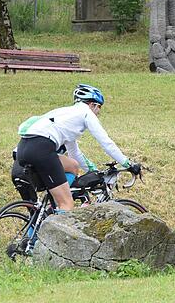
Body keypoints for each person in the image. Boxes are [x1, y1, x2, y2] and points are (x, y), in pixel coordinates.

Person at [13, 84, 139, 213]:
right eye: (99, 107)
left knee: (72, 165)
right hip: (42, 148)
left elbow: (74, 153)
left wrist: (93, 170)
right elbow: (106, 143)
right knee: (67, 204)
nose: (99, 112)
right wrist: (128, 163)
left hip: (23, 148)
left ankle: (36, 226)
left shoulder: (66, 115)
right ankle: (58, 214)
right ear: (92, 104)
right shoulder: (86, 113)